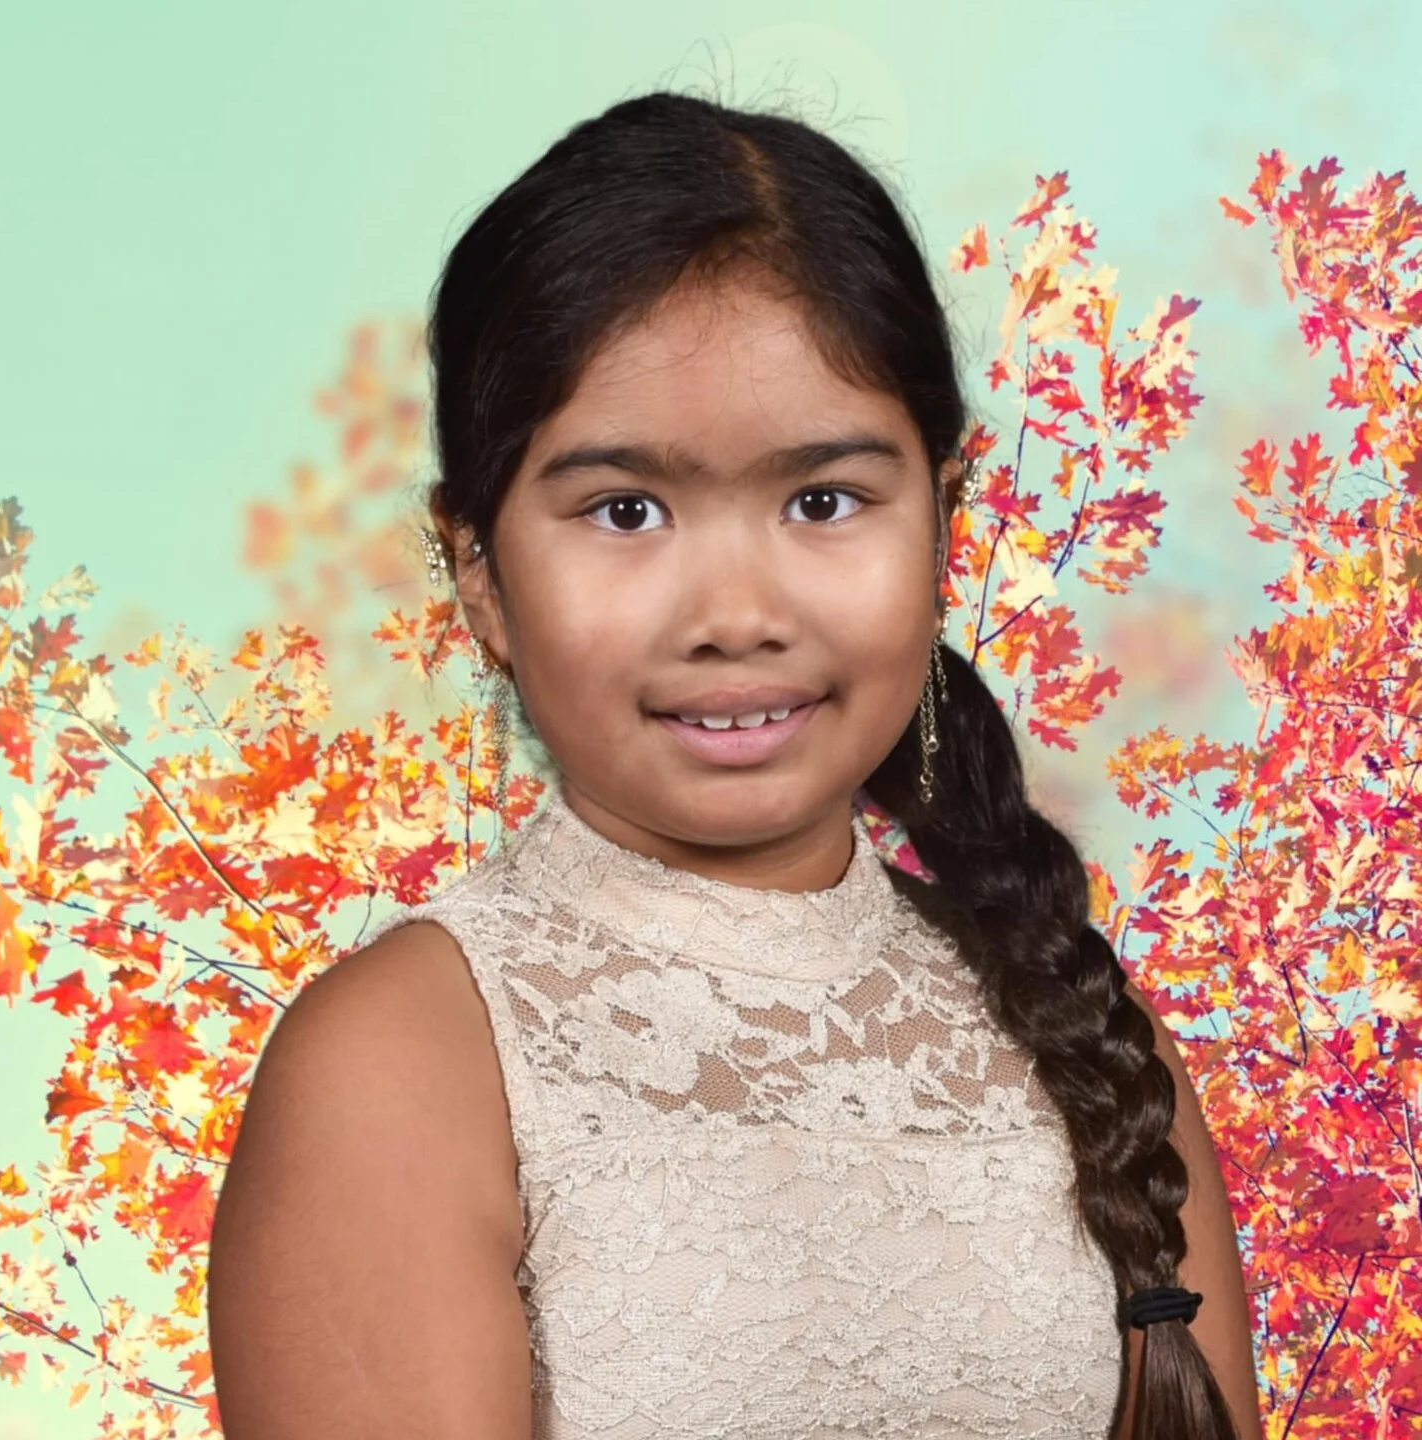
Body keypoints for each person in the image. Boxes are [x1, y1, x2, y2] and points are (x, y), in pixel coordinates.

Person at [206, 87, 1264, 1440]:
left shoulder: (1093, 1043)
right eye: (625, 510)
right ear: (475, 565)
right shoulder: (407, 1062)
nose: (735, 612)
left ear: (948, 516)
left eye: (823, 501)